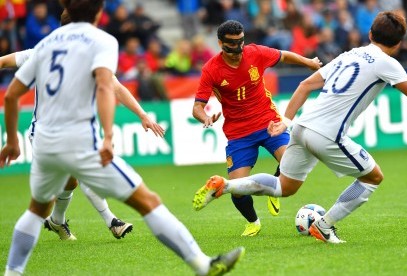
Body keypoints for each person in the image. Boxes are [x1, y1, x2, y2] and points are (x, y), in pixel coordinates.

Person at [0, 1, 244, 275]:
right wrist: (107, 135)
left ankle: (13, 270)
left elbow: (10, 95)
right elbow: (107, 86)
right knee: (147, 201)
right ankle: (202, 265)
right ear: (98, 13)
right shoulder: (100, 41)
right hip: (79, 141)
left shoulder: (44, 46)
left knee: (36, 209)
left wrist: (11, 141)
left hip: (43, 141)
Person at [192, 11, 407, 243]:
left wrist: (286, 121)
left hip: (301, 126)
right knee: (373, 178)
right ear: (400, 43)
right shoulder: (387, 62)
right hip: (327, 134)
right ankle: (323, 225)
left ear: (370, 34)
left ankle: (226, 185)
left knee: (283, 186)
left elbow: (305, 84)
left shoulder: (351, 53)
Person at [0, 8, 150, 241]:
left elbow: (116, 87)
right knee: (55, 192)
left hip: (76, 131)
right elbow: (5, 64)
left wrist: (142, 114)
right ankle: (111, 220)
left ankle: (58, 222)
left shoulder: (85, 56)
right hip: (45, 133)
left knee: (71, 180)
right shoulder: (43, 52)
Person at [192, 20, 321, 237]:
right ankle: (253, 222)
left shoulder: (256, 53)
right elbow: (197, 106)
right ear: (220, 43)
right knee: (236, 188)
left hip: (268, 123)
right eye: (231, 44)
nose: (237, 49)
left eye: (240, 42)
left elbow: (284, 55)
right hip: (238, 135)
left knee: (292, 160)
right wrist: (205, 117)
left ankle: (274, 187)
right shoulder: (211, 69)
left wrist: (308, 62)